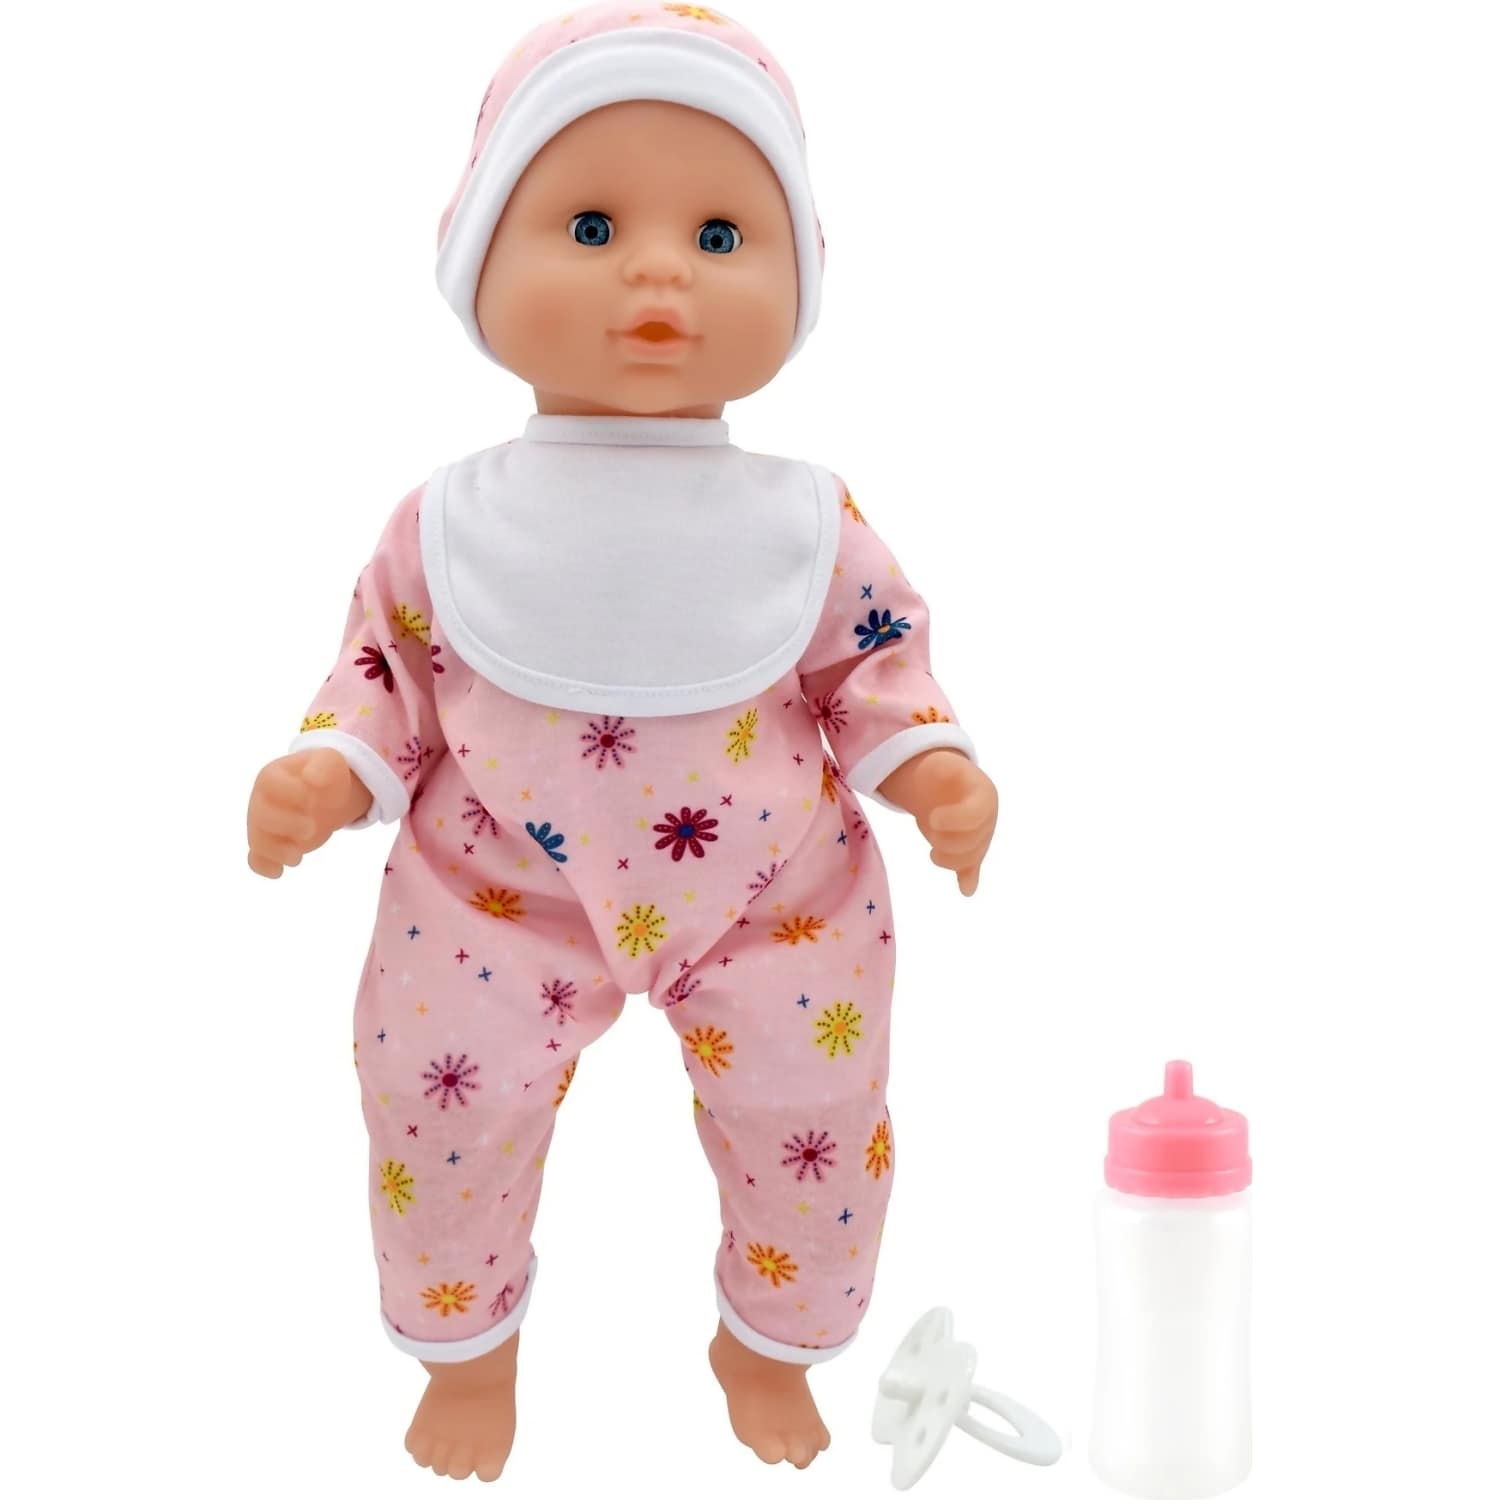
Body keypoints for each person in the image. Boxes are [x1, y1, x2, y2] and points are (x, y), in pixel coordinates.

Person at [246, 2, 998, 1482]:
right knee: (438, 1104)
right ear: (475, 264)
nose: (661, 270)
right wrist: (327, 771)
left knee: (815, 1113)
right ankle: (468, 1355)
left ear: (800, 276)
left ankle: (772, 1341)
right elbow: (386, 665)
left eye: (722, 236)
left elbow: (874, 660)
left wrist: (935, 767)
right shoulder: (451, 518)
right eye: (591, 226)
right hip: (489, 896)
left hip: (777, 895)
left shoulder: (802, 515)